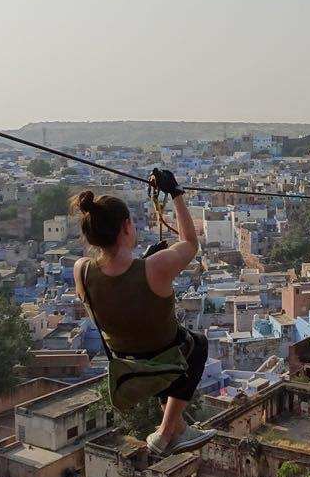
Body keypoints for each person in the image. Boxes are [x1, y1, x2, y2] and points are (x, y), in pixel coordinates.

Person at [72, 169, 215, 455]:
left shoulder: (82, 270)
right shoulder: (156, 267)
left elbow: (112, 296)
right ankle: (164, 433)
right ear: (126, 227)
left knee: (163, 347)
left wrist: (144, 266)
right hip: (164, 352)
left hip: (124, 357)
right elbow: (190, 243)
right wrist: (175, 192)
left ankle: (178, 429)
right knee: (196, 344)